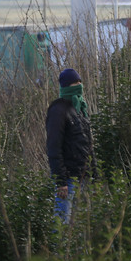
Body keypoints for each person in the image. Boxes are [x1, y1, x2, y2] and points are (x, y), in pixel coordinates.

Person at [45, 68, 94, 224]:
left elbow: (88, 144)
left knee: (82, 224)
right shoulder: (58, 110)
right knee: (62, 223)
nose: (79, 85)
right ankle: (57, 249)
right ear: (66, 86)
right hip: (68, 179)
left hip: (83, 177)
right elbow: (53, 147)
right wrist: (61, 180)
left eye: (80, 82)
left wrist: (95, 173)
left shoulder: (80, 109)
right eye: (75, 83)